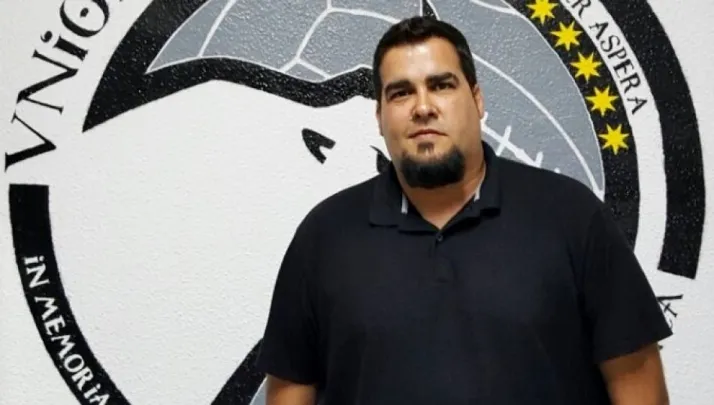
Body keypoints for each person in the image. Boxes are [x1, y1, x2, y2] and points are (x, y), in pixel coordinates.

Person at [255, 16, 672, 405]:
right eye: (401, 93)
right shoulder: (325, 237)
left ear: (477, 99)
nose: (422, 107)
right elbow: (290, 391)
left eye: (441, 85)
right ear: (379, 117)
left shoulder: (571, 217)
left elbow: (637, 383)